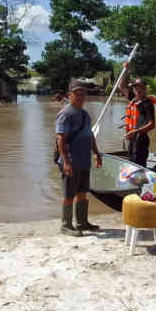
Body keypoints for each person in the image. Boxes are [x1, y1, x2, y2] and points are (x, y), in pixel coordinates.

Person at [55, 80, 103, 237]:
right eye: (77, 93)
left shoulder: (85, 115)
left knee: (82, 192)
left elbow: (90, 136)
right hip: (71, 161)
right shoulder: (65, 113)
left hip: (84, 160)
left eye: (83, 93)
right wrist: (66, 162)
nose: (81, 96)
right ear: (69, 95)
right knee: (69, 194)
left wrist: (96, 153)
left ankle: (82, 222)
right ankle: (66, 225)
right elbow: (60, 139)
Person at [118, 63, 156, 167]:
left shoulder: (147, 104)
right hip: (132, 139)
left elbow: (152, 124)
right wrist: (125, 70)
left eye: (141, 87)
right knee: (131, 163)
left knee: (138, 165)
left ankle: (140, 183)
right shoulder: (133, 99)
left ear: (145, 88)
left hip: (141, 140)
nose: (138, 90)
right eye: (136, 87)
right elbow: (121, 86)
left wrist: (136, 131)